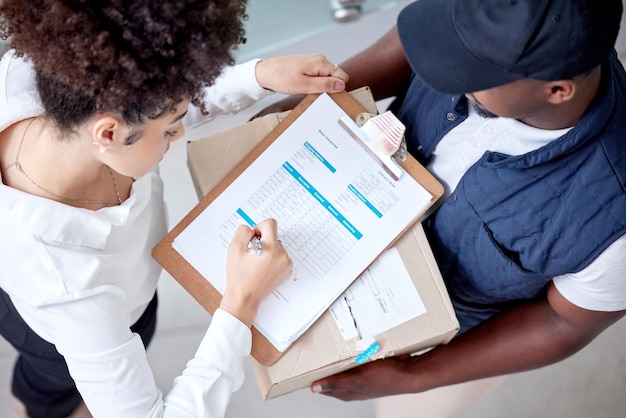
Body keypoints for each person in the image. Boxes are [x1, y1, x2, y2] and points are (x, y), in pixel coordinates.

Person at [256, 0, 626, 415]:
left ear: (557, 90)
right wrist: (313, 106)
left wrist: (416, 377)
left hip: (445, 329)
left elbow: (563, 323)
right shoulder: (494, 23)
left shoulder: (615, 223)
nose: (446, 72)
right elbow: (418, 45)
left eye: (468, 71)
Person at [0, 1, 349, 417]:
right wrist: (243, 299)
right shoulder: (72, 288)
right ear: (109, 134)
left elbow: (146, 98)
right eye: (170, 130)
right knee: (50, 391)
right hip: (54, 335)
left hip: (132, 297)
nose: (179, 131)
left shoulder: (55, 76)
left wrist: (258, 77)